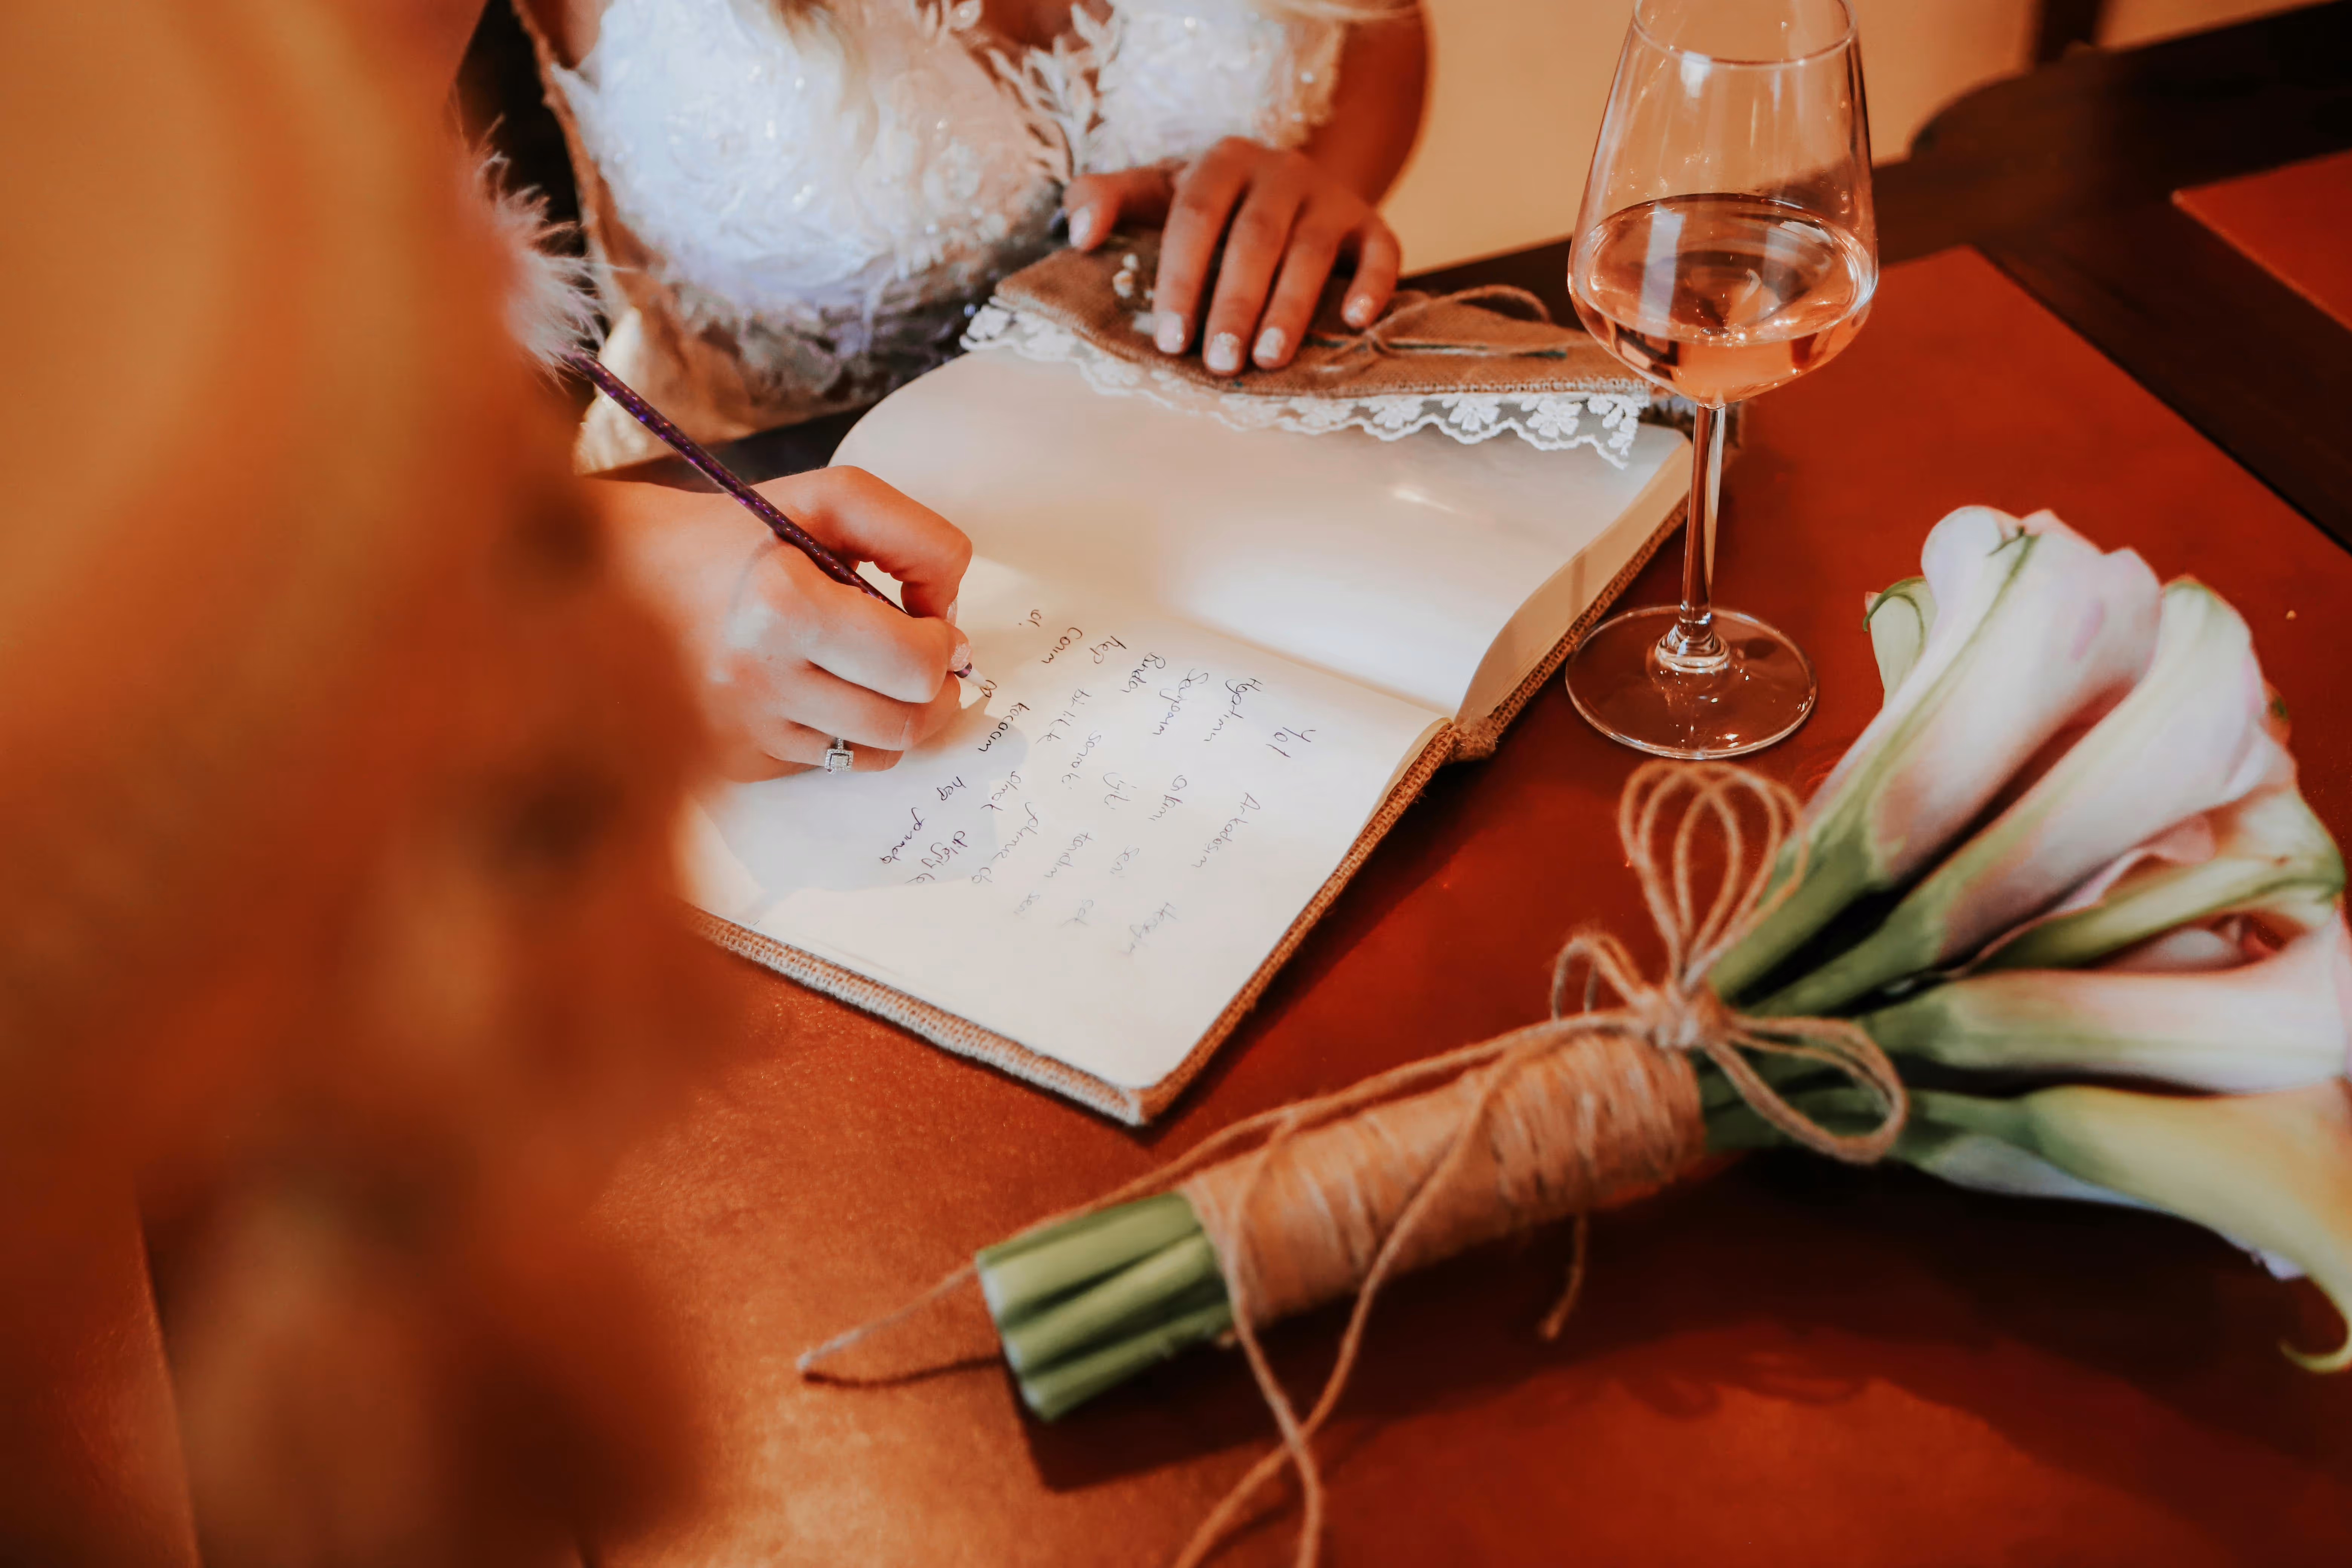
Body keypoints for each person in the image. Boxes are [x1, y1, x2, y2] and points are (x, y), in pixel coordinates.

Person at [502, 0, 1429, 779]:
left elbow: (1381, 33)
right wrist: (638, 572)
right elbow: (355, 390)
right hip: (762, 565)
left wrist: (1290, 198)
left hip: (1232, 515)